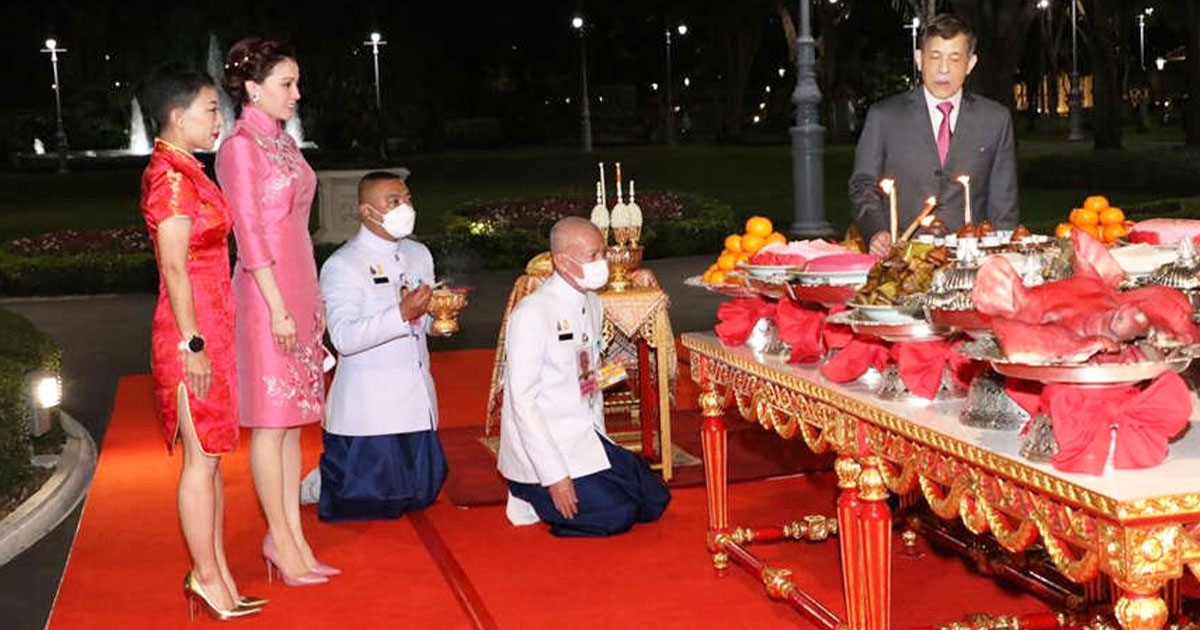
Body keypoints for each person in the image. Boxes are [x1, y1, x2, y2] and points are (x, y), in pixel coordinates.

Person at [138, 65, 264, 620]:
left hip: (212, 326)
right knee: (200, 461)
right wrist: (192, 344)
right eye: (211, 109)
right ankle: (206, 577)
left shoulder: (189, 171)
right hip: (190, 333)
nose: (219, 119)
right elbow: (173, 265)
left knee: (211, 459)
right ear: (176, 115)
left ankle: (218, 575)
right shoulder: (168, 177)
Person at [215, 37, 333, 586]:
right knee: (271, 421)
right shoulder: (240, 146)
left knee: (292, 427)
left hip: (298, 289)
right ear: (253, 88)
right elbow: (250, 233)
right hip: (266, 299)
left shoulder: (283, 141)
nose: (296, 93)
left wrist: (314, 297)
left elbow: (298, 230)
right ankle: (282, 540)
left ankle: (292, 537)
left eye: (297, 83)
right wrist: (280, 307)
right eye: (286, 84)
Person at [497, 216, 670, 537]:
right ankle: (527, 495)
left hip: (582, 436)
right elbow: (522, 403)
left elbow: (584, 374)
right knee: (615, 515)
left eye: (602, 253)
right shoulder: (532, 313)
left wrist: (610, 376)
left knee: (654, 500)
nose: (603, 263)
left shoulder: (591, 302)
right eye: (593, 256)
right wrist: (554, 478)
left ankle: (592, 479)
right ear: (563, 262)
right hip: (541, 453)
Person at [316, 172, 447, 521]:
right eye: (393, 202)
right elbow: (343, 337)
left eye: (406, 199)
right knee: (370, 504)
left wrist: (442, 318)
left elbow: (424, 320)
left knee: (422, 494)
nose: (404, 208)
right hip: (370, 413)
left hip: (417, 403)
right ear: (367, 212)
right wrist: (401, 313)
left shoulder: (419, 254)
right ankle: (316, 483)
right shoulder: (344, 265)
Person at [849, 14, 1018, 256]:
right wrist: (876, 231)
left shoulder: (995, 120)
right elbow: (863, 185)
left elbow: (1004, 206)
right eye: (935, 57)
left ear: (970, 63)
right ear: (919, 59)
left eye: (955, 58)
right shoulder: (885, 117)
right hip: (902, 260)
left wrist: (1003, 259)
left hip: (971, 262)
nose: (943, 69)